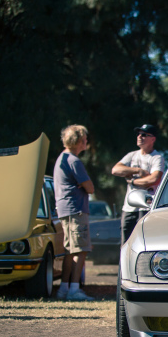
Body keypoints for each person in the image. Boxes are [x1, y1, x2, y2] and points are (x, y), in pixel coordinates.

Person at [53, 124, 95, 301]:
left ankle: (64, 288)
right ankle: (74, 289)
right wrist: (84, 186)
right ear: (78, 141)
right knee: (81, 249)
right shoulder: (74, 161)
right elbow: (90, 188)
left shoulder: (62, 158)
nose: (86, 142)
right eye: (84, 139)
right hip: (76, 209)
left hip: (65, 209)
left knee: (70, 250)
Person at [111, 124, 166, 244]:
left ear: (153, 139)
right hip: (129, 207)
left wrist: (133, 181)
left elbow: (154, 179)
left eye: (144, 135)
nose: (140, 137)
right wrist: (137, 171)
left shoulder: (157, 158)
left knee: (144, 240)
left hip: (146, 207)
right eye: (139, 134)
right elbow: (115, 170)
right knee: (125, 241)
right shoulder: (132, 155)